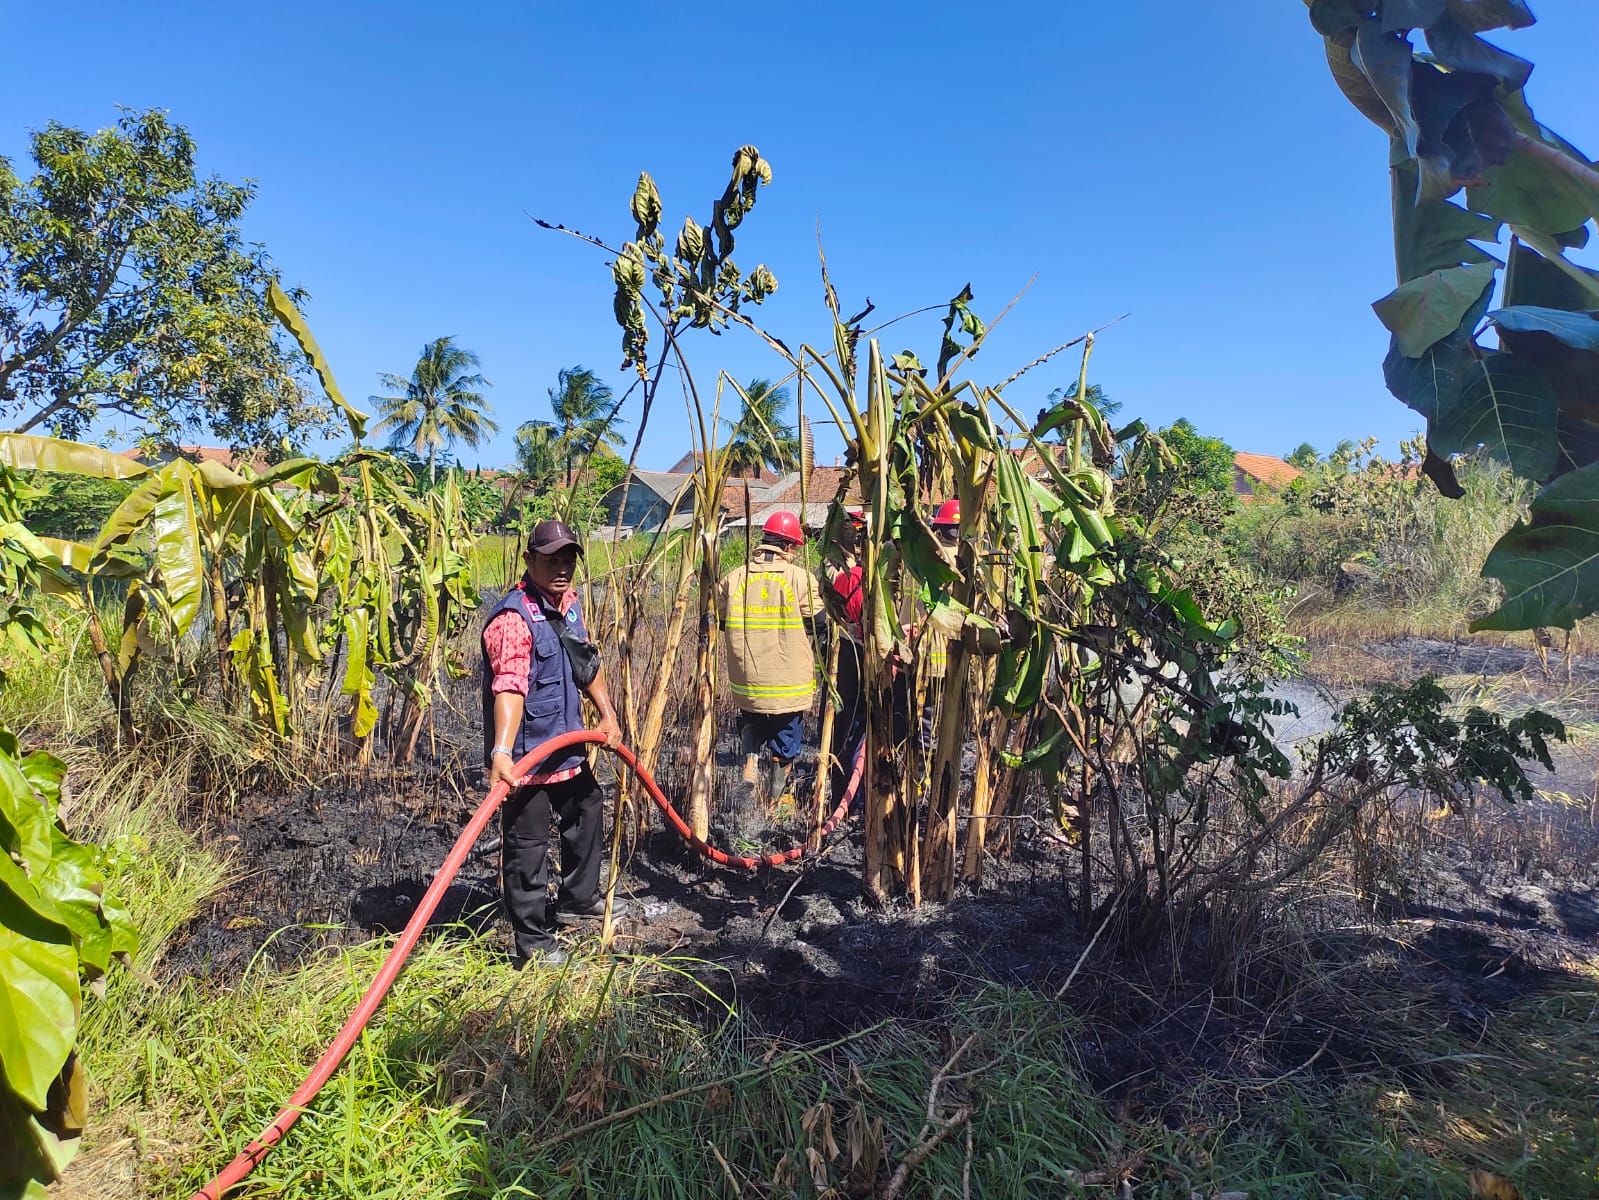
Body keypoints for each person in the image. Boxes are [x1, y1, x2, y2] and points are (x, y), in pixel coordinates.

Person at [482, 519, 622, 966]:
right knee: (528, 845)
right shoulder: (513, 619)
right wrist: (502, 752)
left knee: (587, 808)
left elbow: (586, 663)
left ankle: (578, 899)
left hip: (567, 745)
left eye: (568, 560)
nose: (561, 569)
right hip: (529, 756)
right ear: (529, 561)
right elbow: (510, 688)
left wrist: (607, 713)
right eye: (551, 560)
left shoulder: (570, 605)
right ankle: (532, 941)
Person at [718, 510, 825, 804]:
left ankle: (750, 766)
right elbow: (819, 622)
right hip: (786, 682)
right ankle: (776, 803)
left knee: (751, 720)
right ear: (789, 547)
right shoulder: (799, 578)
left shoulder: (734, 577)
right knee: (785, 740)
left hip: (747, 680)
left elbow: (719, 620)